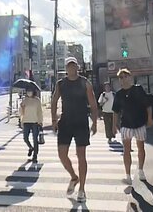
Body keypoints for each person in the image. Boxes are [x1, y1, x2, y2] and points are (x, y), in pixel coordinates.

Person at [51, 57, 98, 203]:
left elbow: (93, 103)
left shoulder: (85, 82)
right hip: (65, 121)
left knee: (81, 155)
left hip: (81, 122)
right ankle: (73, 176)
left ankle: (82, 189)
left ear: (78, 67)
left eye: (74, 66)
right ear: (66, 68)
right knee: (62, 154)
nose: (72, 69)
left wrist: (95, 122)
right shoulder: (61, 84)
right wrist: (54, 120)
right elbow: (54, 101)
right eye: (69, 66)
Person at [112, 68, 153, 188]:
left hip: (139, 123)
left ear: (130, 77)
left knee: (141, 147)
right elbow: (115, 111)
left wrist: (150, 118)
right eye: (121, 77)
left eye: (125, 76)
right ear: (119, 80)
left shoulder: (138, 89)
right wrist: (114, 125)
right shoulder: (119, 94)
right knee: (126, 150)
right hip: (126, 124)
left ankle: (140, 170)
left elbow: (148, 105)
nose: (124, 79)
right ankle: (128, 175)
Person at [20, 87, 43, 163]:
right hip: (26, 121)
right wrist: (21, 107)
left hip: (35, 122)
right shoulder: (24, 100)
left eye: (30, 91)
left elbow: (40, 111)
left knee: (35, 140)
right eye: (28, 91)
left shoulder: (37, 101)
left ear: (33, 91)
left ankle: (35, 156)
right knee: (25, 138)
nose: (29, 92)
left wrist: (40, 121)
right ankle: (30, 147)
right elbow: (21, 113)